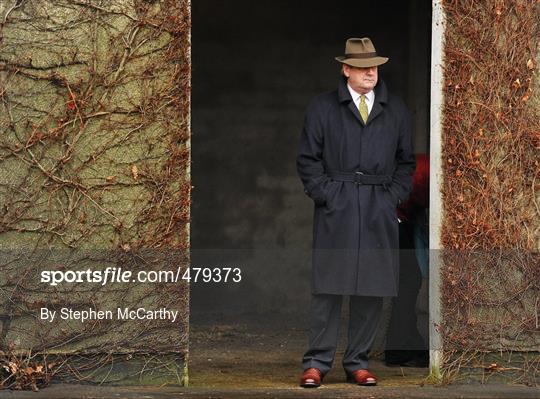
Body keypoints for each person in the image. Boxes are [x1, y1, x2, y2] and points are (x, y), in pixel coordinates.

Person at [296, 37, 416, 387]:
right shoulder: (322, 108)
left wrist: (391, 197)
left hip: (379, 204)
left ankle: (357, 362)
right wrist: (329, 195)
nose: (370, 73)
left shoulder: (395, 110)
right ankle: (317, 363)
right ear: (346, 69)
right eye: (363, 67)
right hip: (339, 204)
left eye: (375, 67)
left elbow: (405, 162)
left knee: (371, 289)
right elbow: (308, 160)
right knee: (329, 288)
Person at [384, 153, 429, 368]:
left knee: (406, 284)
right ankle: (399, 350)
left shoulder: (424, 165)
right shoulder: (429, 171)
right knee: (407, 283)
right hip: (395, 220)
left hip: (398, 218)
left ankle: (408, 345)